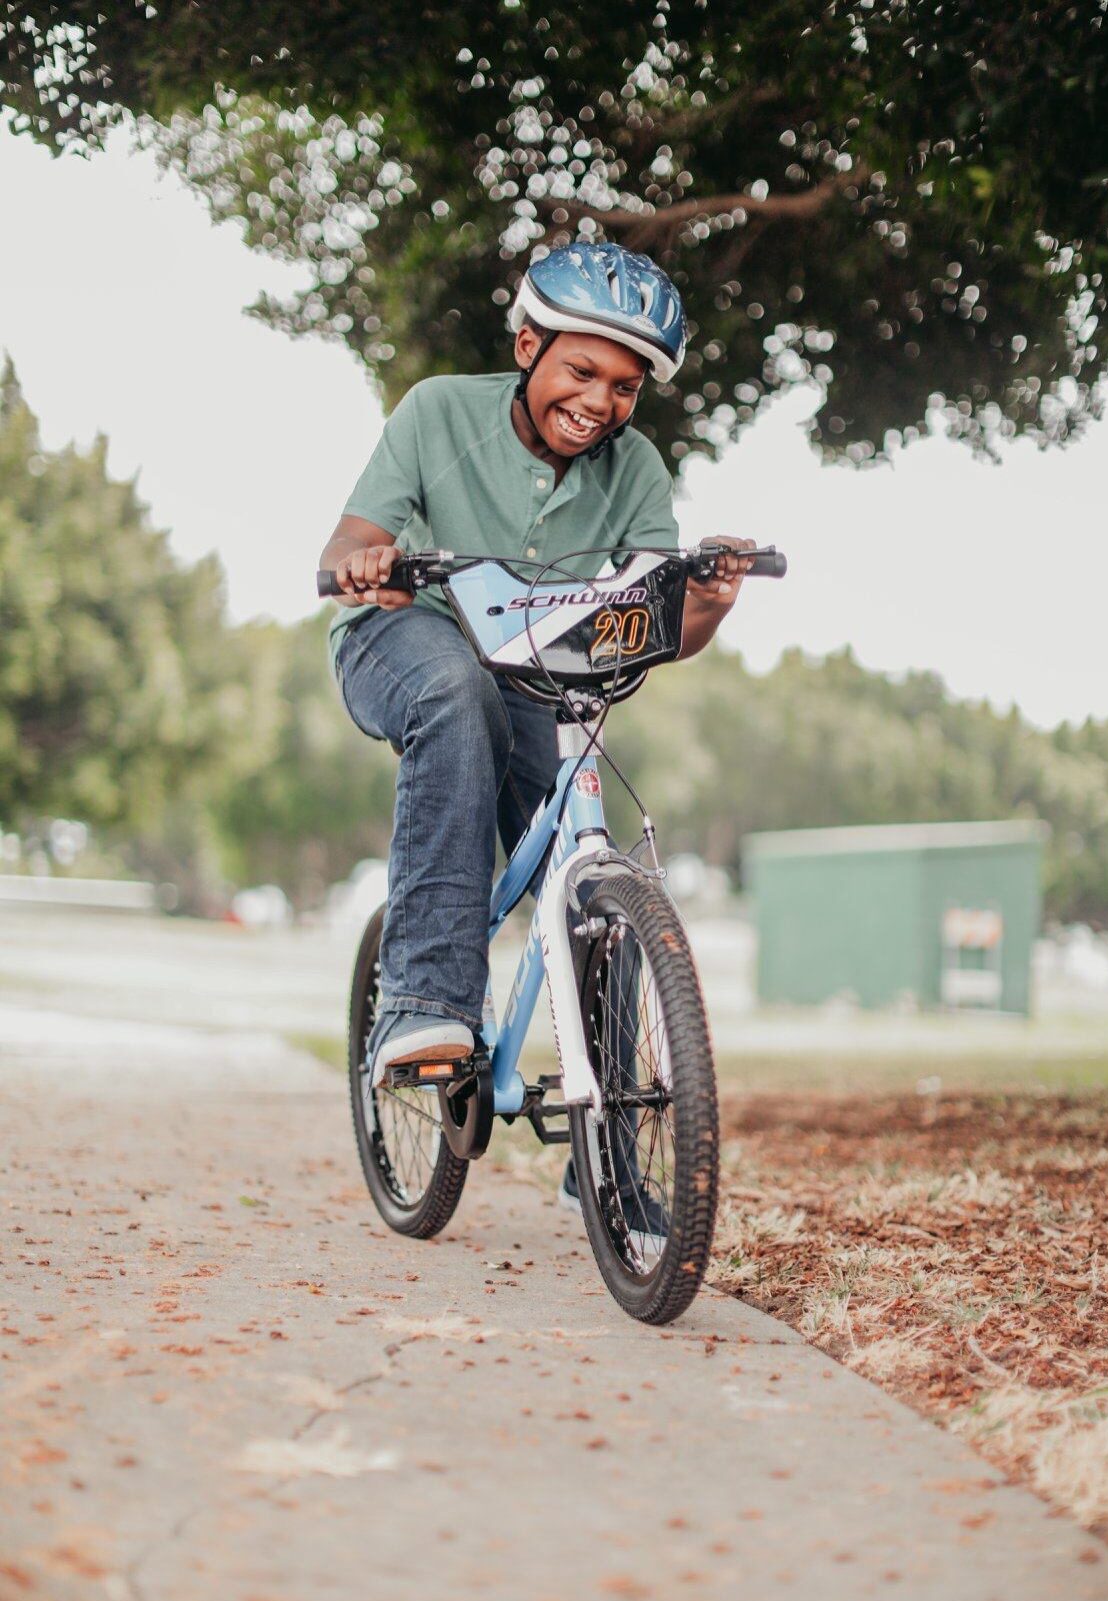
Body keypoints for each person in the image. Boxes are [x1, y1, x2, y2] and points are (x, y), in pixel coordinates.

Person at [320, 241, 754, 1220]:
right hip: (403, 639)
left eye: (625, 385)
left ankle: (608, 1166)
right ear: (527, 344)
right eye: (580, 369)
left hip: (539, 671)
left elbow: (652, 622)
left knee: (606, 881)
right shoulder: (437, 411)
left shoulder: (633, 468)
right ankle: (425, 999)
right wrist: (371, 561)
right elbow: (350, 545)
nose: (600, 400)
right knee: (454, 699)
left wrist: (710, 598)